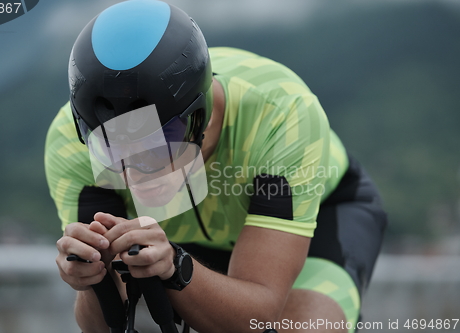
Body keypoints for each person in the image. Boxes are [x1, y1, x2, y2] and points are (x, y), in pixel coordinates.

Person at [45, 1, 387, 332]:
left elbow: (257, 319)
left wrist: (177, 268)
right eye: (111, 147)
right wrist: (92, 280)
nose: (134, 172)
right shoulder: (67, 143)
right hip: (179, 236)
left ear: (198, 116)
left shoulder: (281, 115)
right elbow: (103, 326)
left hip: (325, 214)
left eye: (157, 145)